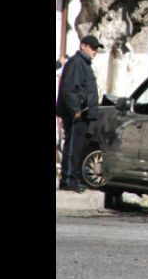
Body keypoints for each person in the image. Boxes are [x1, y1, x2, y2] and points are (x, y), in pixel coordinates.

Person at [57, 35, 104, 193]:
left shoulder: (84, 64)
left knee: (78, 147)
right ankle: (68, 179)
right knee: (72, 146)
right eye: (92, 47)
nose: (95, 51)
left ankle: (73, 178)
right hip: (77, 114)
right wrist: (76, 110)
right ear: (83, 46)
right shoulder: (76, 63)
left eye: (97, 48)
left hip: (84, 114)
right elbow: (69, 90)